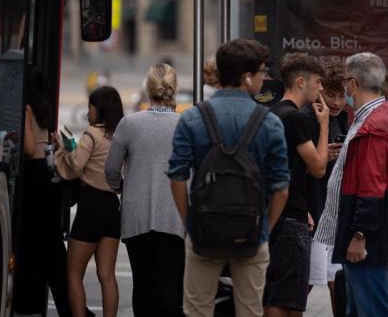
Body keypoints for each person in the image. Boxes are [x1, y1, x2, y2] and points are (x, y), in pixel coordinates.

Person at [168, 39, 290, 317]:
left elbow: (177, 177)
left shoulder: (193, 118)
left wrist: (190, 223)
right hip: (251, 231)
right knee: (249, 310)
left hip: (204, 231)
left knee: (197, 310)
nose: (264, 78)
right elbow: (281, 189)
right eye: (261, 72)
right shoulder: (269, 122)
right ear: (247, 77)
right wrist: (263, 232)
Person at [317, 52, 388, 317]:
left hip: (367, 237)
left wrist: (360, 234)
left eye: (345, 81)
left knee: (371, 308)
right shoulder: (377, 117)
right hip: (370, 232)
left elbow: (372, 186)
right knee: (359, 307)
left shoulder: (373, 126)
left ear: (353, 83)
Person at [105, 63, 185, 317]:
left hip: (137, 216)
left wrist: (121, 187)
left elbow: (111, 169)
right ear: (173, 88)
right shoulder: (185, 124)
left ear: (148, 89)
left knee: (142, 284)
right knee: (169, 284)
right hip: (174, 216)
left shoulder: (130, 123)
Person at [264, 53, 330, 316]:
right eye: (318, 82)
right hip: (291, 216)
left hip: (275, 210)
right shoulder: (295, 117)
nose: (321, 88)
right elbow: (318, 168)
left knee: (274, 291)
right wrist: (324, 126)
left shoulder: (272, 113)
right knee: (287, 299)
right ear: (301, 82)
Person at [55, 86, 124, 317]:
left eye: (90, 107)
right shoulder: (119, 136)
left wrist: (61, 152)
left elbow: (75, 166)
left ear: (99, 109)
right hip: (113, 208)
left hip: (91, 207)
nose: (87, 113)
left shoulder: (91, 135)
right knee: (107, 275)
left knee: (74, 273)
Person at [14, 70, 74, 316]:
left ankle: (27, 303)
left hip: (33, 173)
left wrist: (13, 140)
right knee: (52, 243)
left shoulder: (26, 108)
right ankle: (70, 306)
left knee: (30, 240)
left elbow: (28, 148)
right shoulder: (44, 107)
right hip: (50, 173)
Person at [304, 60, 348, 311]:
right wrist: (321, 156)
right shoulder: (308, 118)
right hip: (312, 206)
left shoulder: (342, 119)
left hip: (332, 210)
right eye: (331, 95)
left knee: (336, 279)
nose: (337, 102)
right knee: (307, 280)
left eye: (341, 95)